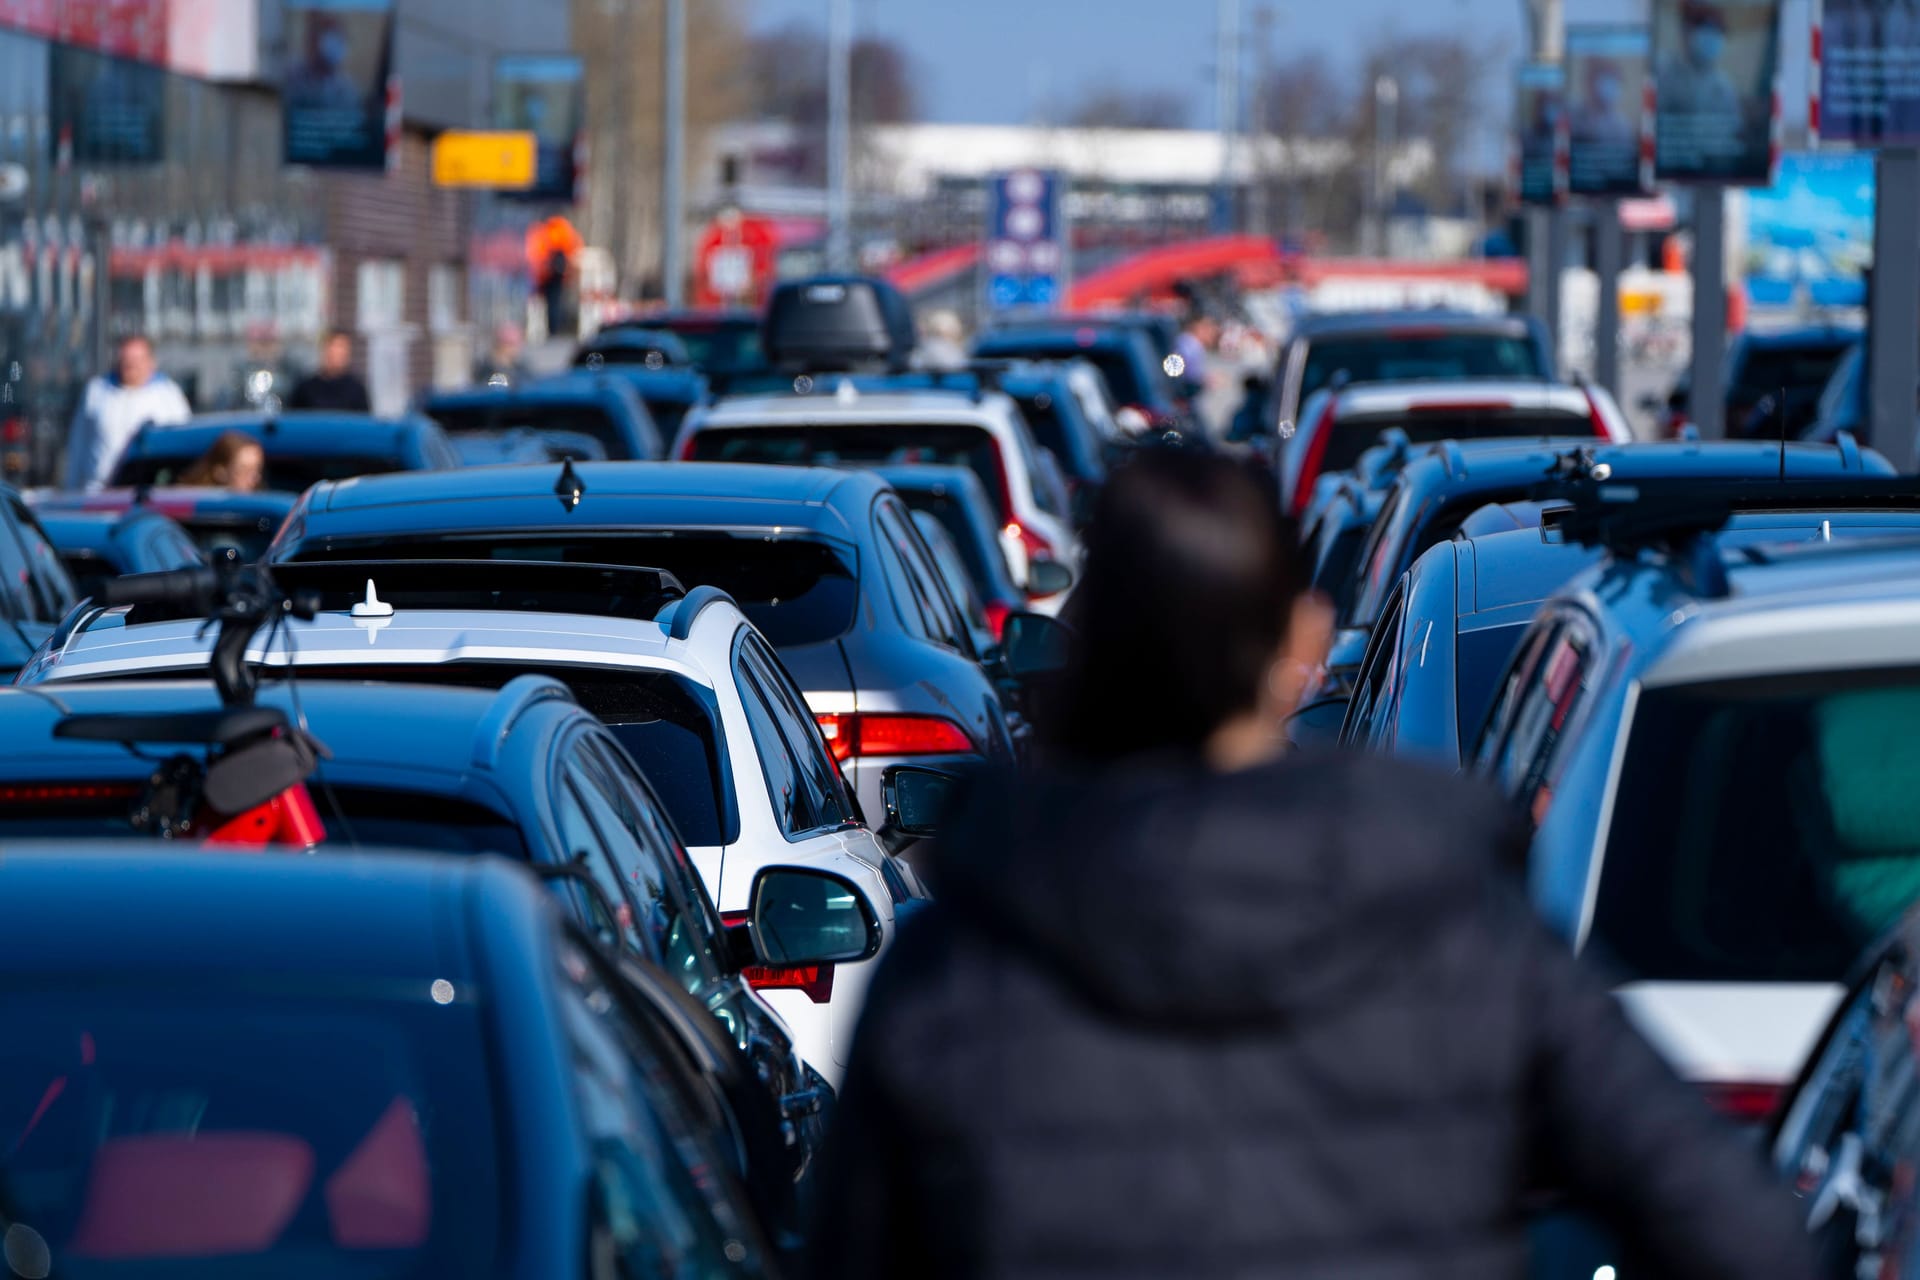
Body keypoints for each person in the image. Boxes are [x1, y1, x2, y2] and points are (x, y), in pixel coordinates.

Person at [805, 450, 1814, 1280]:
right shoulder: (1458, 931)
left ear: (1080, 655)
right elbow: (1743, 1235)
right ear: (1303, 641)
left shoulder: (954, 969)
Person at [65, 335, 192, 492]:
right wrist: (71, 488)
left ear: (151, 362)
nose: (130, 364)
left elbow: (183, 445)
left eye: (137, 359)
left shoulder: (168, 395)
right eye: (125, 358)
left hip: (148, 493)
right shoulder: (96, 392)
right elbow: (79, 443)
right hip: (99, 492)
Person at [287, 330, 371, 412]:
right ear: (325, 350)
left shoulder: (356, 390)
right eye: (334, 348)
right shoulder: (305, 389)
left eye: (343, 349)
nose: (338, 354)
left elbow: (364, 421)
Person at [177, 431, 265, 494]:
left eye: (258, 469)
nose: (255, 478)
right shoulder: (191, 504)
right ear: (220, 473)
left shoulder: (267, 510)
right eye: (244, 470)